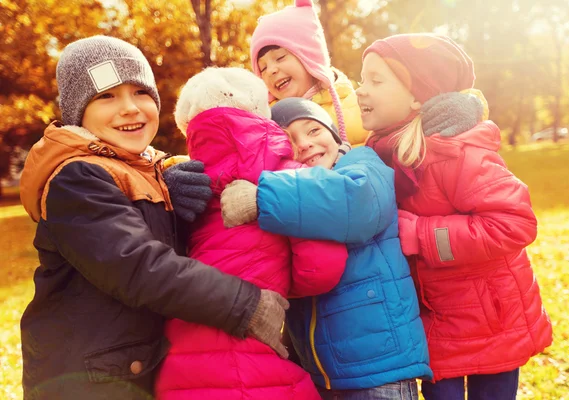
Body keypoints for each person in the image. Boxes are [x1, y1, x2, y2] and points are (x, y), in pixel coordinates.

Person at [18, 36, 290, 400]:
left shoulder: (145, 168)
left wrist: (166, 196)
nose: (130, 108)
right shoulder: (75, 178)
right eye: (106, 96)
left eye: (140, 93)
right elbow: (139, 266)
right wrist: (246, 304)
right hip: (87, 380)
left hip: (131, 369)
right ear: (77, 112)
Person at [354, 33, 552, 400]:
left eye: (375, 81)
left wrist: (423, 235)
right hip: (434, 323)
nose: (360, 90)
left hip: (490, 326)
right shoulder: (380, 153)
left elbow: (514, 223)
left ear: (418, 95)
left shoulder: (456, 152)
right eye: (360, 80)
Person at [220, 97, 433, 400]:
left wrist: (262, 197)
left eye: (313, 130)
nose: (305, 144)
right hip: (317, 372)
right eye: (289, 139)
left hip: (378, 366)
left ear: (334, 135)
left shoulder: (362, 165)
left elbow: (356, 207)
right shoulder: (292, 192)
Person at [154, 67, 348, 399]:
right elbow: (323, 268)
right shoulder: (289, 176)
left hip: (179, 360)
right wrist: (283, 284)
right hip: (250, 353)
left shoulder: (189, 184)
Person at [250, 0, 484, 148]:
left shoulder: (357, 104)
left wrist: (466, 104)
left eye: (280, 58)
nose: (271, 70)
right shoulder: (266, 123)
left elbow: (414, 112)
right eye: (262, 67)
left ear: (309, 55)